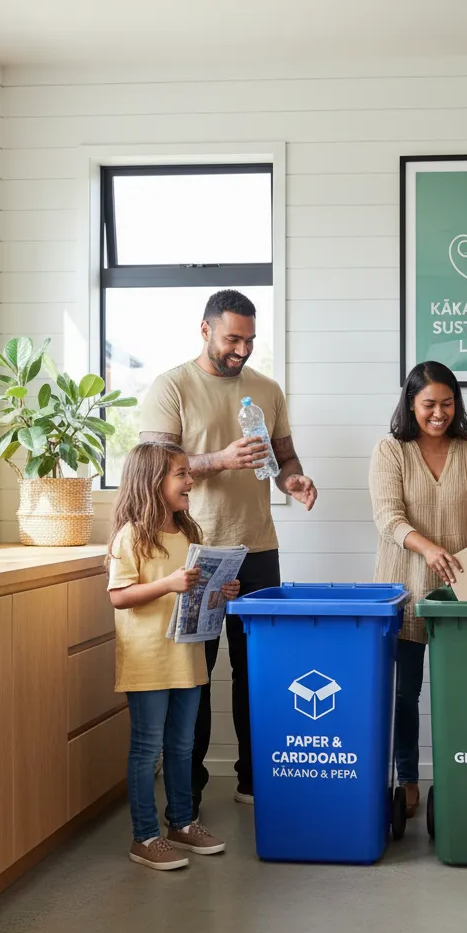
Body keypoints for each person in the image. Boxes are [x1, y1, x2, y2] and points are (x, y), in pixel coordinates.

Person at [139, 289, 317, 813]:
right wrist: (218, 459)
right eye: (232, 338)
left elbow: (284, 458)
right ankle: (186, 791)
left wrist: (295, 481)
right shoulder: (171, 387)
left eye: (249, 340)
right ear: (205, 330)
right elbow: (151, 469)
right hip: (196, 552)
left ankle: (254, 778)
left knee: (257, 670)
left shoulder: (266, 389)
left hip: (258, 546)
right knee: (195, 671)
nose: (241, 350)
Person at [369, 361, 467, 817]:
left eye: (447, 403)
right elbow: (388, 517)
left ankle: (466, 772)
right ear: (410, 403)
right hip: (406, 586)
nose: (438, 413)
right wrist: (428, 549)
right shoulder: (390, 450)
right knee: (405, 693)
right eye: (429, 404)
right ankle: (408, 778)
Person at [107, 441, 240, 870]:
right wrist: (168, 584)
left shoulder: (189, 533)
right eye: (181, 474)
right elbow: (119, 596)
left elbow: (193, 594)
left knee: (183, 748)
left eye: (188, 473)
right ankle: (144, 836)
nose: (190, 480)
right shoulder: (131, 536)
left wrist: (220, 592)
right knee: (148, 750)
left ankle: (182, 823)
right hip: (148, 660)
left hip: (187, 658)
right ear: (152, 482)